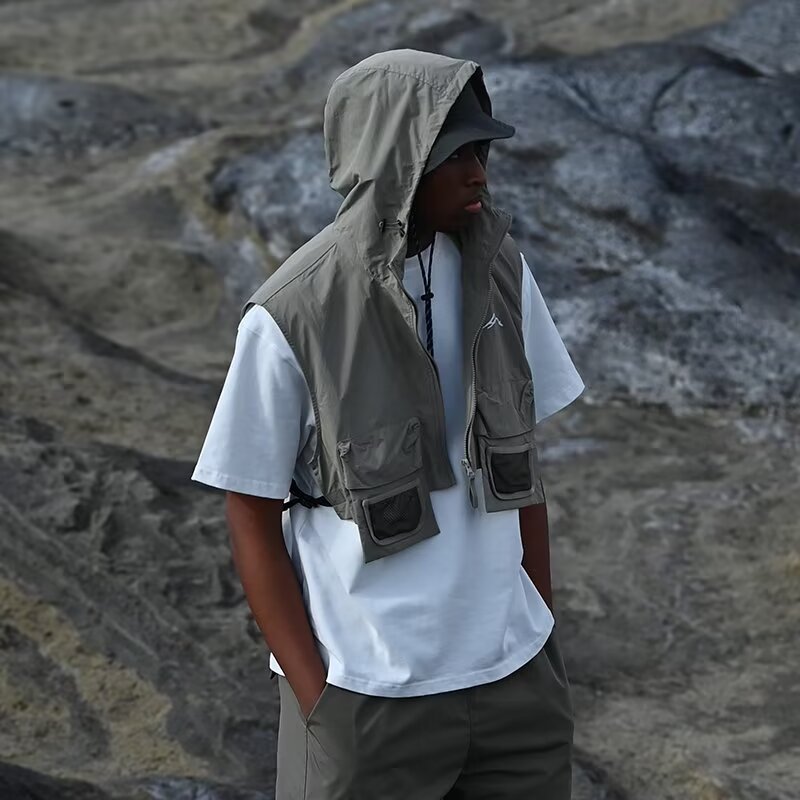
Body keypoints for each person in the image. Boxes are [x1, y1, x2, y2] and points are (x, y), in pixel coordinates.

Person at [192, 48, 584, 800]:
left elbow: (524, 465)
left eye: (481, 152)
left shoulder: (502, 270)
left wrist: (539, 623)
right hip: (368, 697)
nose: (479, 174)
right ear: (393, 162)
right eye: (454, 155)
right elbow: (249, 511)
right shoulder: (292, 313)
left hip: (517, 685)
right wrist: (319, 700)